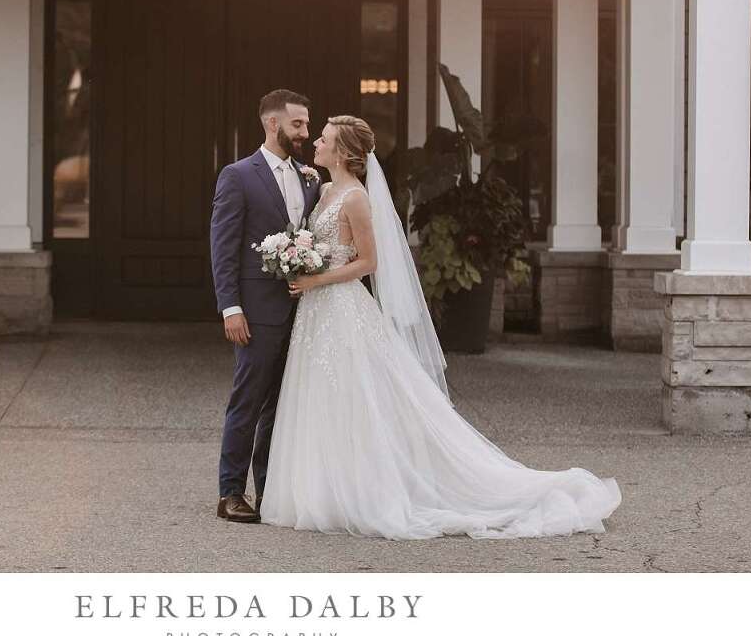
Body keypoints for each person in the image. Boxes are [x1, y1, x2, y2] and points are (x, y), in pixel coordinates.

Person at [258, 115, 623, 539]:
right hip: (315, 311)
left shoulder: (356, 199)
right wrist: (298, 259)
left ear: (341, 152)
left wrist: (316, 279)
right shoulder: (322, 191)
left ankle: (364, 490)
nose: (315, 143)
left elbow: (368, 262)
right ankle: (320, 491)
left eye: (324, 139)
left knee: (353, 396)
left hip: (341, 306)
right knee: (318, 394)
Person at [208, 89, 321, 523]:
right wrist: (230, 307)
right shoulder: (238, 175)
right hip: (255, 309)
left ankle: (270, 488)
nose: (305, 133)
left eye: (308, 125)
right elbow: (223, 245)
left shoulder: (310, 178)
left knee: (283, 401)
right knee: (248, 400)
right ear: (272, 123)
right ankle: (230, 492)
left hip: (303, 309)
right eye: (298, 124)